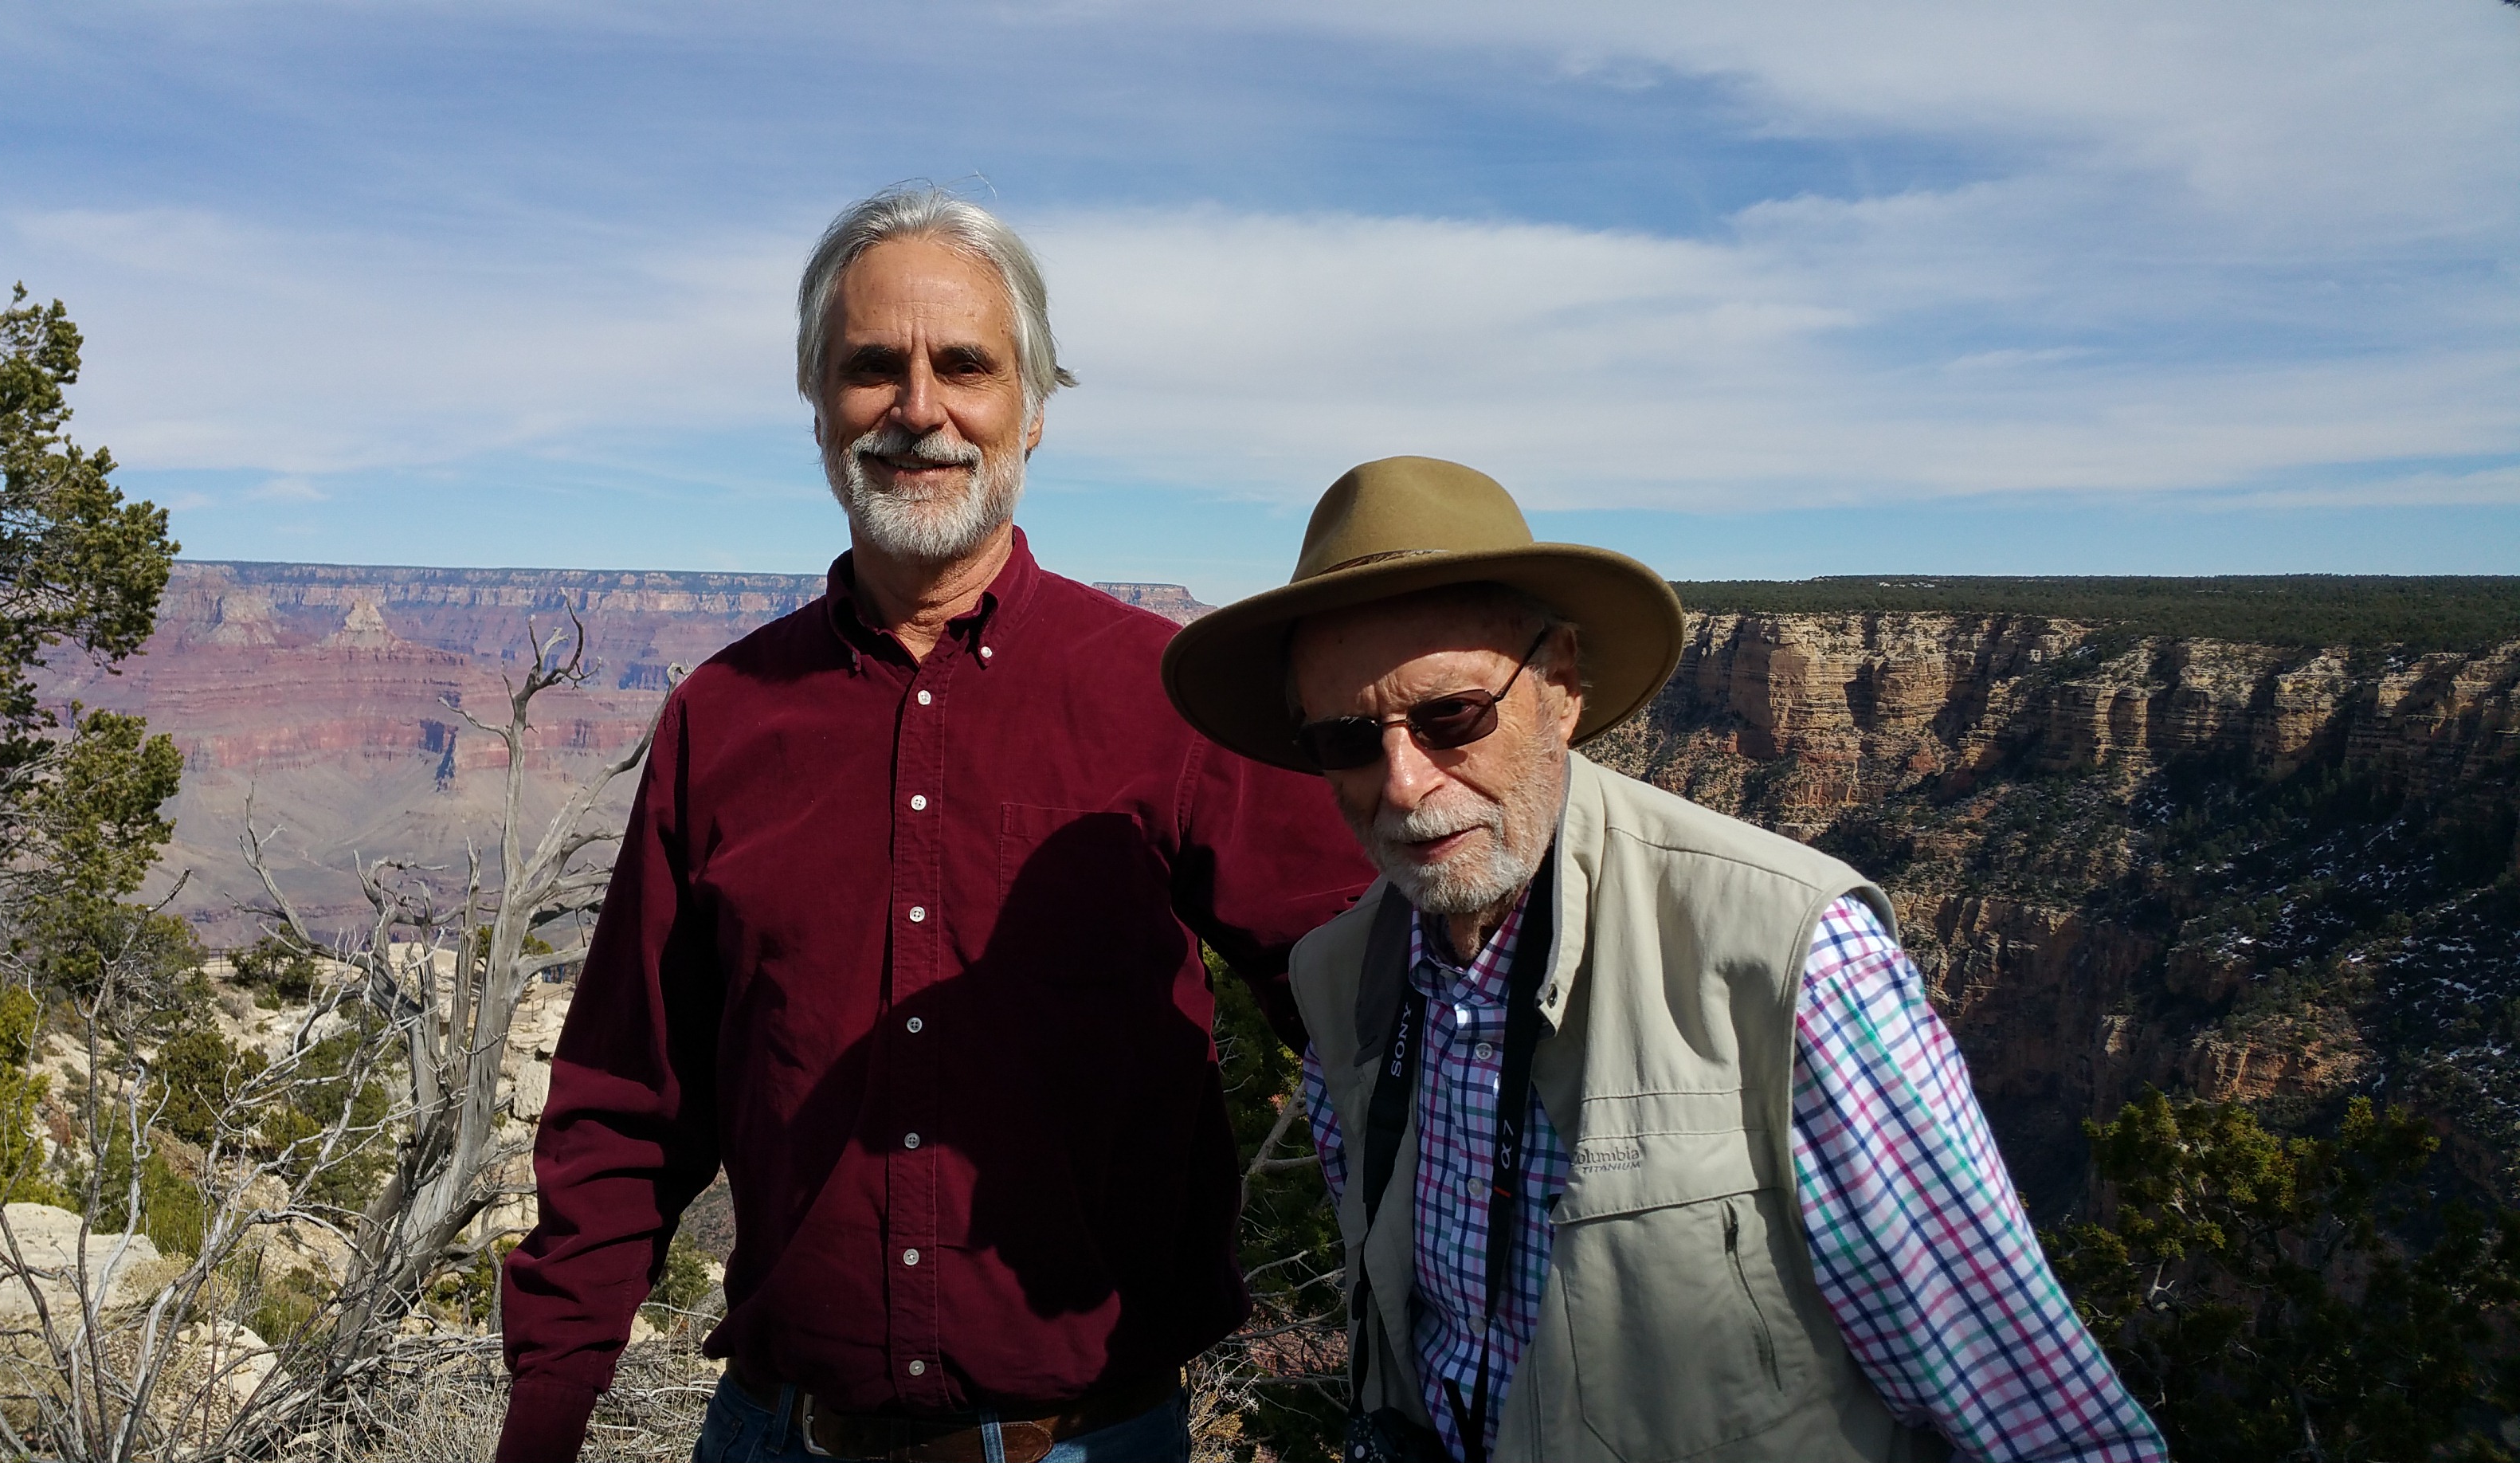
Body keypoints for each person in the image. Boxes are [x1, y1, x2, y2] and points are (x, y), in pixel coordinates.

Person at [495, 186, 1374, 1463]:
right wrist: (546, 1419)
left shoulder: (1162, 694)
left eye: (965, 363)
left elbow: (1365, 993)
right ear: (818, 408)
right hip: (782, 1438)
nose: (918, 408)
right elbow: (633, 1097)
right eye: (870, 369)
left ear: (1032, 404)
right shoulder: (722, 718)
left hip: (1088, 1442)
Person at [1158, 457, 2167, 1463]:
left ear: (1559, 686)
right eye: (1347, 739)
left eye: (1451, 716)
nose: (1405, 783)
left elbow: (2046, 1428)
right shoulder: (1340, 979)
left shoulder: (1790, 958)